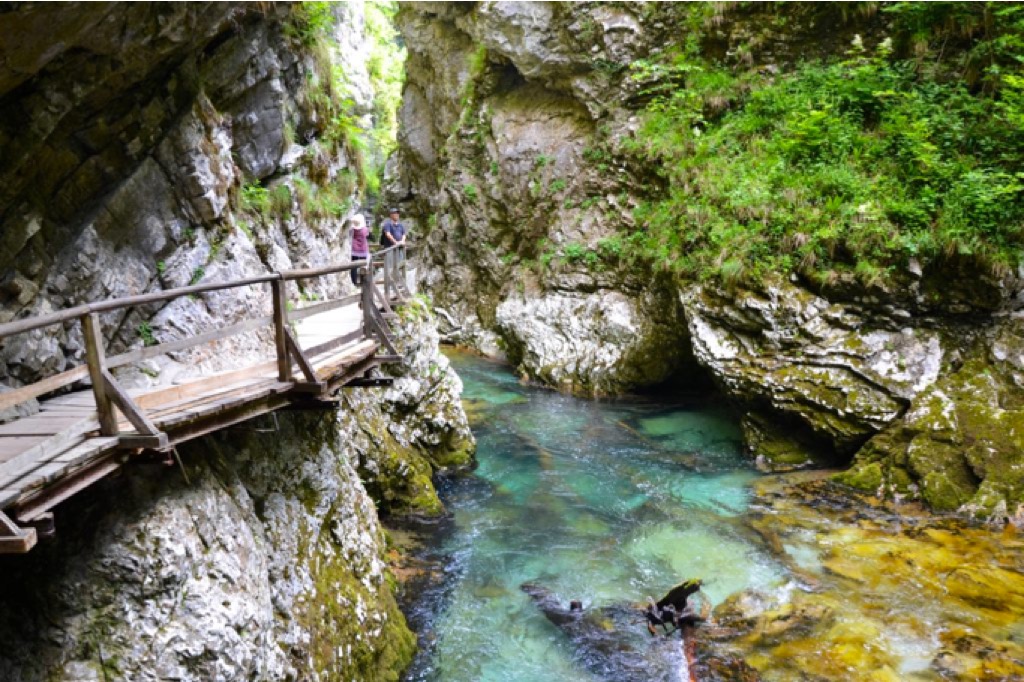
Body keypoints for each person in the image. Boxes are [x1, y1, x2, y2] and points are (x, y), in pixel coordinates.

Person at [349, 213, 369, 286]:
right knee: (364, 266)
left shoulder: (352, 230)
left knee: (353, 267)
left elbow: (350, 234)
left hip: (354, 250)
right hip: (363, 250)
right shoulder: (365, 229)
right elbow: (367, 235)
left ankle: (354, 282)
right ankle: (363, 282)